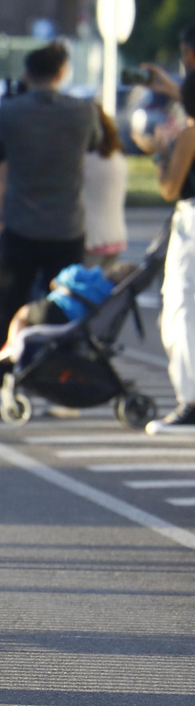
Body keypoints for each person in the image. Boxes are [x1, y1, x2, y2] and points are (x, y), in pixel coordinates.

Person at [0, 41, 101, 390]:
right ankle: (62, 381)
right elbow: (93, 144)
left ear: (27, 74)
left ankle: (3, 379)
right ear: (62, 72)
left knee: (9, 306)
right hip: (67, 226)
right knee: (67, 309)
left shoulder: (11, 111)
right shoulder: (82, 110)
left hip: (20, 224)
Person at [149, 71, 195, 434]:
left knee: (180, 309)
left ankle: (190, 402)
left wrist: (162, 154)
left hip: (191, 222)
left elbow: (169, 188)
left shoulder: (190, 135)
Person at [83, 103, 128, 276]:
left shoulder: (84, 159)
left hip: (91, 240)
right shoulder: (117, 156)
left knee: (81, 296)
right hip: (115, 237)